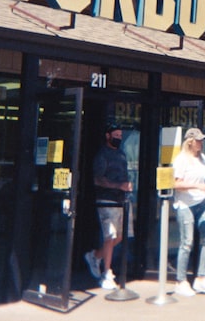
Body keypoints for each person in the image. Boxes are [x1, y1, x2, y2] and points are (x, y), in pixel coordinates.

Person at [84, 123, 133, 290]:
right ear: (107, 136)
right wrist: (119, 186)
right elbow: (98, 180)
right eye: (116, 135)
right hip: (107, 201)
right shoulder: (102, 155)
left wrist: (126, 187)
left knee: (121, 236)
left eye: (120, 136)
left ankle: (95, 256)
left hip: (122, 201)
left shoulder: (121, 154)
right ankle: (107, 273)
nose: (118, 138)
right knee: (110, 236)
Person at [172, 127, 205, 297]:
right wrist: (198, 186)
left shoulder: (202, 158)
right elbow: (176, 184)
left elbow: (204, 176)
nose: (201, 143)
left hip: (201, 203)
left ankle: (201, 277)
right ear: (190, 141)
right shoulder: (181, 160)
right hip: (185, 205)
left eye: (202, 140)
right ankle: (180, 281)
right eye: (198, 140)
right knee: (187, 242)